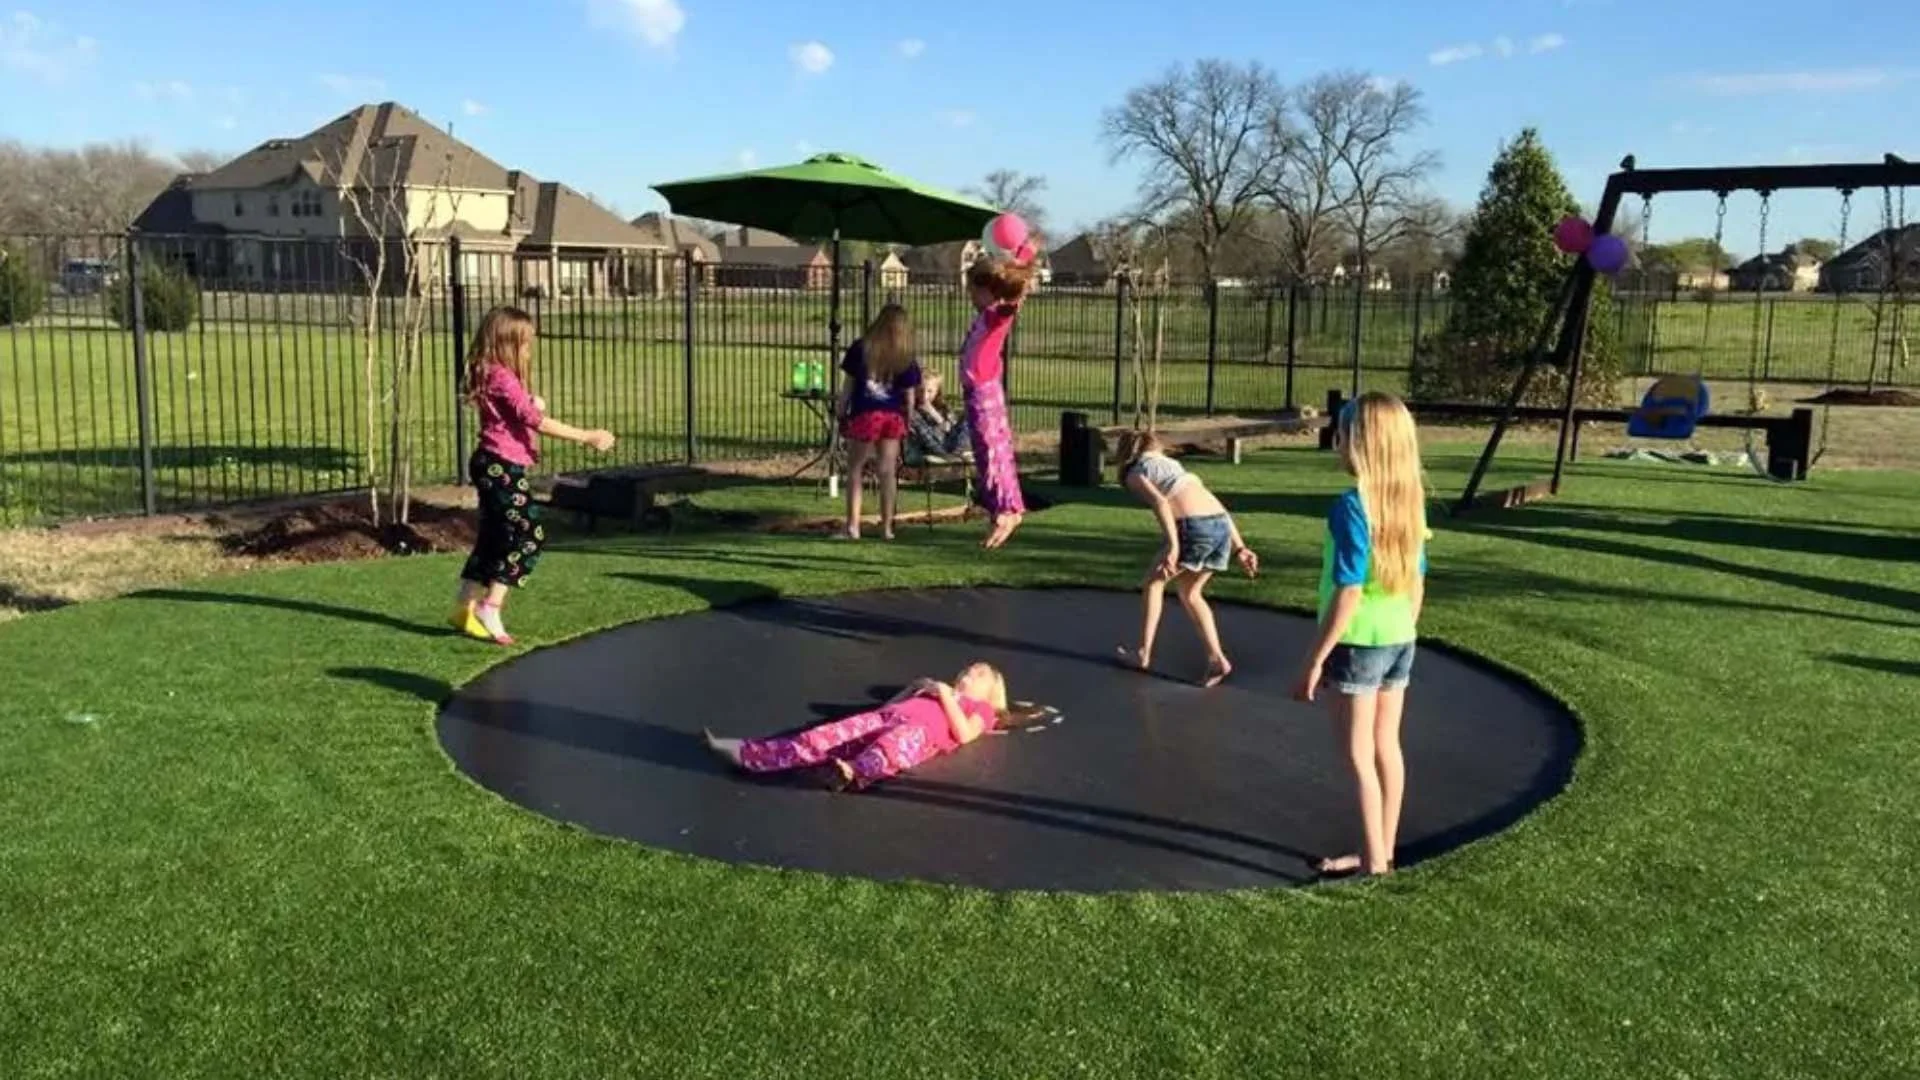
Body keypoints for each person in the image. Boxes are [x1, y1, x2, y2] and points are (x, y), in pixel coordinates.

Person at [1292, 392, 1429, 879]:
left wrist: (1314, 659)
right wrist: (1406, 628)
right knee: (1386, 748)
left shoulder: (1351, 506)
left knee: (1357, 757)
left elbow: (1348, 591)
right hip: (1398, 639)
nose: (1338, 442)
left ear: (1362, 444)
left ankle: (1374, 865)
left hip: (1358, 643)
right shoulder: (1408, 501)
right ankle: (1382, 851)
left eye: (1344, 434)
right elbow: (1416, 580)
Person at [450, 305, 616, 646]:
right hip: (501, 467)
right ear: (508, 343)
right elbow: (532, 419)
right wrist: (587, 436)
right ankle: (490, 605)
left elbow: (515, 410)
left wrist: (531, 402)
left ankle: (463, 606)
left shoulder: (489, 372)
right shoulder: (502, 376)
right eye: (525, 343)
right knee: (529, 534)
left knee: (495, 536)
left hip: (491, 463)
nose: (530, 350)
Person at [704, 662, 1010, 790]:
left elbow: (966, 735)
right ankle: (748, 753)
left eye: (981, 673)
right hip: (887, 717)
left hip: (921, 733)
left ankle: (850, 774)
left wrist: (945, 696)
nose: (971, 671)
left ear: (991, 690)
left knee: (886, 750)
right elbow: (886, 709)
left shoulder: (981, 708)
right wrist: (912, 689)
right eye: (970, 667)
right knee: (822, 736)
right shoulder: (936, 689)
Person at [1113, 432, 1259, 688]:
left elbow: (1160, 502)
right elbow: (1218, 507)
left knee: (1154, 584)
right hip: (1219, 527)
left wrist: (1173, 544)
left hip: (1195, 527)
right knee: (1191, 593)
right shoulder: (1174, 467)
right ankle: (1216, 659)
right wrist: (1240, 548)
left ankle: (1143, 653)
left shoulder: (1135, 472)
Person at [960, 250, 1037, 549]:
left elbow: (1012, 303)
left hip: (984, 390)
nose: (970, 298)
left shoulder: (996, 315)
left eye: (973, 292)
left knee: (993, 450)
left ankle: (1007, 510)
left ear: (988, 290)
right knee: (986, 451)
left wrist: (1021, 274)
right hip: (976, 390)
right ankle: (1005, 507)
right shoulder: (985, 316)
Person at [837, 304, 922, 540]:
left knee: (855, 469)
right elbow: (910, 396)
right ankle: (887, 527)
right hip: (892, 417)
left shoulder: (860, 348)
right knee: (887, 471)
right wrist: (909, 417)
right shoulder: (905, 356)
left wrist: (841, 409)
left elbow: (848, 385)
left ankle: (853, 526)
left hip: (866, 414)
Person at [905, 368, 970, 460]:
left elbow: (952, 429)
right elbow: (923, 438)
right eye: (920, 390)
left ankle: (955, 453)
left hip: (951, 443)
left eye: (930, 391)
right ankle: (948, 455)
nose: (925, 396)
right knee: (915, 418)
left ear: (937, 392)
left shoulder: (943, 408)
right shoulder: (913, 411)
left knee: (969, 416)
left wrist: (935, 415)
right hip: (933, 446)